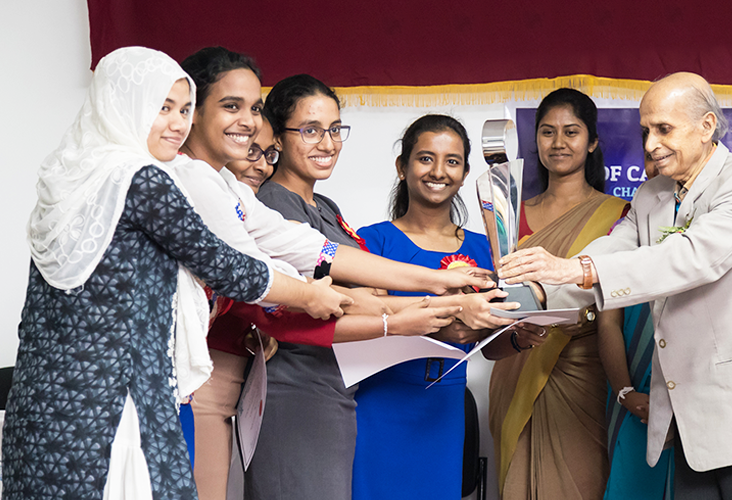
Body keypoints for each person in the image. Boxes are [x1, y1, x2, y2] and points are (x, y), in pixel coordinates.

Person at [0, 46, 348, 500]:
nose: (178, 124)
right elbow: (229, 268)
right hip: (110, 404)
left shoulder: (67, 176)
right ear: (122, 105)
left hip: (41, 399)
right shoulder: (143, 179)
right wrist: (309, 295)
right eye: (162, 107)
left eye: (184, 109)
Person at [174, 48, 487, 500]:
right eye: (231, 106)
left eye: (253, 108)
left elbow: (313, 251)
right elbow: (264, 291)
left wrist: (436, 283)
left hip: (323, 384)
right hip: (261, 383)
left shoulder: (239, 191)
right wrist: (404, 315)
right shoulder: (207, 183)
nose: (247, 122)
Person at [498, 72, 732, 500]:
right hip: (687, 419)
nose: (651, 144)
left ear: (706, 126)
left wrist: (574, 269)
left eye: (664, 129)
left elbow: (688, 258)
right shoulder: (652, 194)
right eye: (646, 131)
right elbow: (611, 251)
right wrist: (540, 292)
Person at [247, 77, 505, 500]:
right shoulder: (276, 203)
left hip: (339, 389)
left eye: (334, 129)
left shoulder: (324, 207)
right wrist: (435, 305)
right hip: (301, 387)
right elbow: (322, 301)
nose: (327, 142)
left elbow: (359, 294)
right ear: (277, 135)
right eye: (310, 130)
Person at [352, 114, 512, 499]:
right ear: (402, 166)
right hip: (382, 401)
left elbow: (491, 347)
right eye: (425, 158)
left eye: (452, 161)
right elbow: (361, 319)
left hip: (445, 407)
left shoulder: (487, 248)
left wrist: (522, 334)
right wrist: (451, 315)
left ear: (465, 173)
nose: (438, 171)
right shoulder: (370, 242)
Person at [484, 88, 629, 499]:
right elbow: (502, 297)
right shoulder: (509, 213)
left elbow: (615, 303)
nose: (558, 142)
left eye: (571, 131)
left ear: (592, 141)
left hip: (584, 369)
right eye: (547, 132)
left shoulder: (619, 215)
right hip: (517, 362)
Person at [597, 151, 674, 499]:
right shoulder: (626, 230)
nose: (658, 166)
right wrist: (625, 392)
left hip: (692, 405)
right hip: (633, 397)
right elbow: (609, 322)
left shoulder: (710, 225)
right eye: (649, 156)